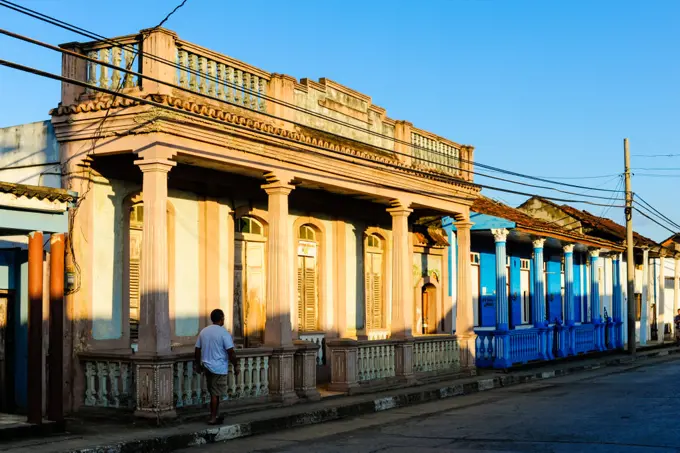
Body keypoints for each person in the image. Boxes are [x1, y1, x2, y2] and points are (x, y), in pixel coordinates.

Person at [195, 309, 239, 425]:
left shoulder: (204, 331)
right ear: (221, 319)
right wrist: (236, 365)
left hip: (207, 366)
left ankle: (216, 415)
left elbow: (197, 349)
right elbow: (231, 352)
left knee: (214, 392)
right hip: (218, 368)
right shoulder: (224, 333)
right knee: (215, 394)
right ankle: (213, 417)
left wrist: (198, 364)